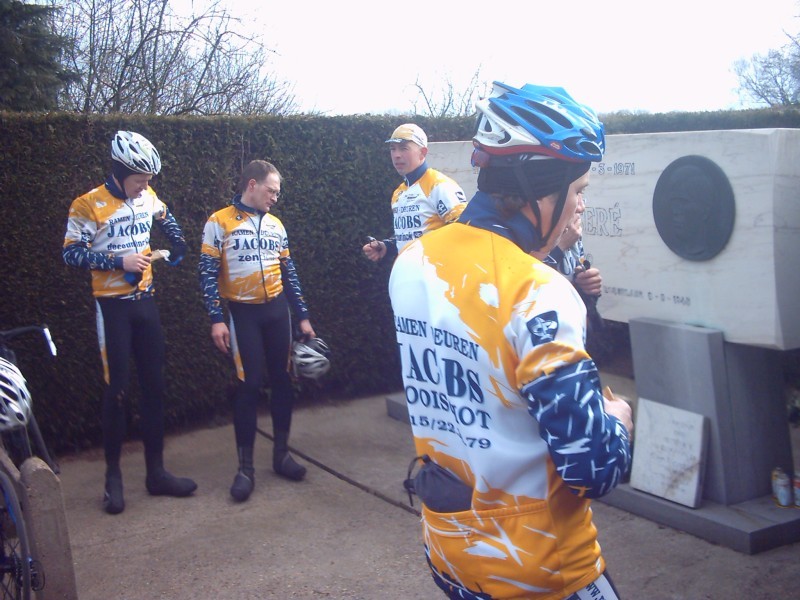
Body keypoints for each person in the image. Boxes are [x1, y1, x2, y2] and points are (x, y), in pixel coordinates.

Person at [389, 83, 633, 600]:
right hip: (541, 569)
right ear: (541, 190)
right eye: (579, 189)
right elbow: (595, 467)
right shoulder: (540, 292)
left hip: (449, 550)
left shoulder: (412, 262)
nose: (579, 207)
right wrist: (619, 420)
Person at [62, 130, 197, 515]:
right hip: (112, 307)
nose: (145, 187)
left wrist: (176, 246)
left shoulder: (147, 196)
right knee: (117, 393)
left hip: (145, 305)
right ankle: (113, 479)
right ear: (120, 172)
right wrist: (116, 262)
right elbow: (71, 254)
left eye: (149, 180)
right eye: (140, 179)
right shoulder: (88, 204)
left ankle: (156, 474)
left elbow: (165, 217)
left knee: (155, 387)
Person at [198, 159, 316, 502]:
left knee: (282, 381)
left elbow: (289, 273)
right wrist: (215, 318)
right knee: (248, 386)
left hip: (278, 312)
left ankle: (281, 455)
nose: (275, 197)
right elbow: (206, 273)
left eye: (277, 192)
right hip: (242, 313)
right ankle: (245, 469)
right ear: (252, 184)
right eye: (271, 190)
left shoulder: (277, 225)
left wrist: (303, 316)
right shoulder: (219, 222)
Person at [362, 123, 467, 262]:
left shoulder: (440, 185)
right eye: (393, 149)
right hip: (407, 273)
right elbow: (408, 236)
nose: (397, 155)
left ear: (422, 152)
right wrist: (386, 246)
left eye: (404, 148)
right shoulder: (399, 192)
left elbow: (464, 230)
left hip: (436, 275)